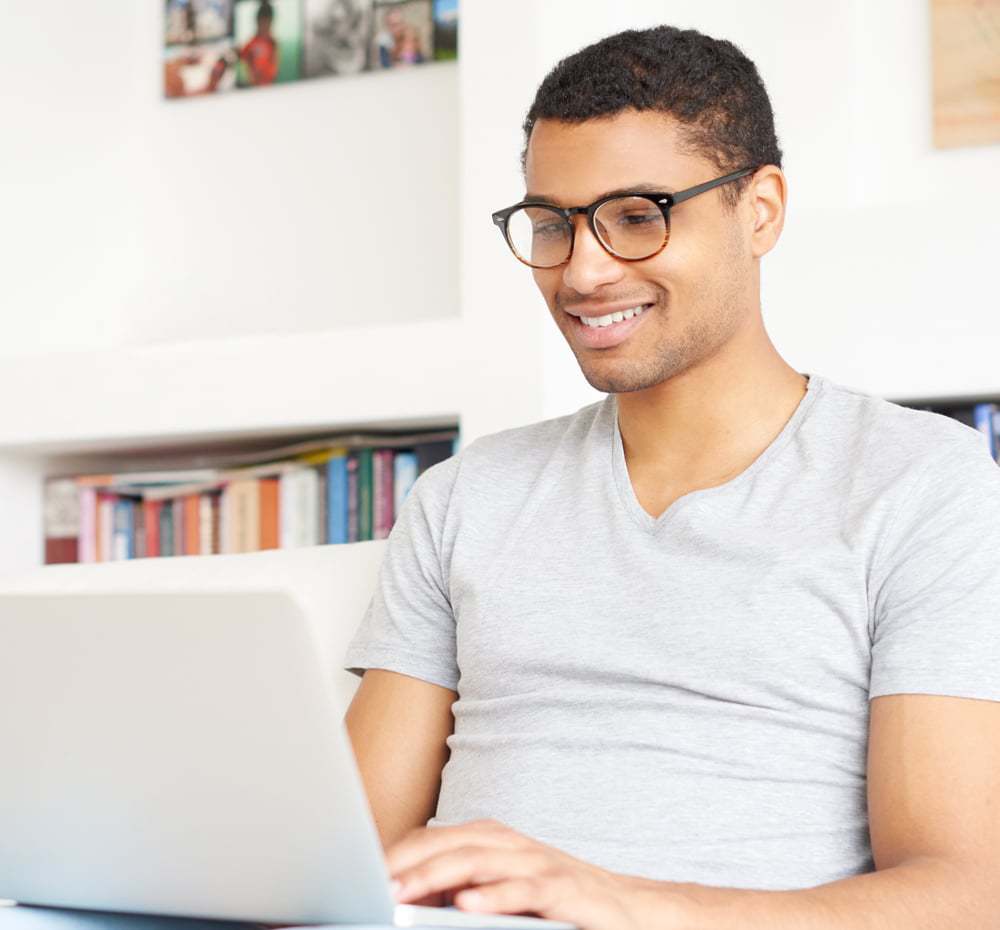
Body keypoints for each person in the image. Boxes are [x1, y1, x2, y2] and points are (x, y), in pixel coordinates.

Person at [343, 25, 1000, 930]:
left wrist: (614, 901)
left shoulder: (924, 485)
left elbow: (967, 893)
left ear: (760, 209)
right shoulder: (465, 495)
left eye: (638, 215)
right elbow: (345, 856)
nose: (584, 270)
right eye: (552, 223)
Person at [239, 0, 279, 85]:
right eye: (262, 23)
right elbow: (243, 57)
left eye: (267, 23)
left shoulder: (272, 42)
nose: (264, 26)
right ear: (258, 22)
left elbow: (274, 67)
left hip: (268, 84)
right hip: (254, 85)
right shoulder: (252, 43)